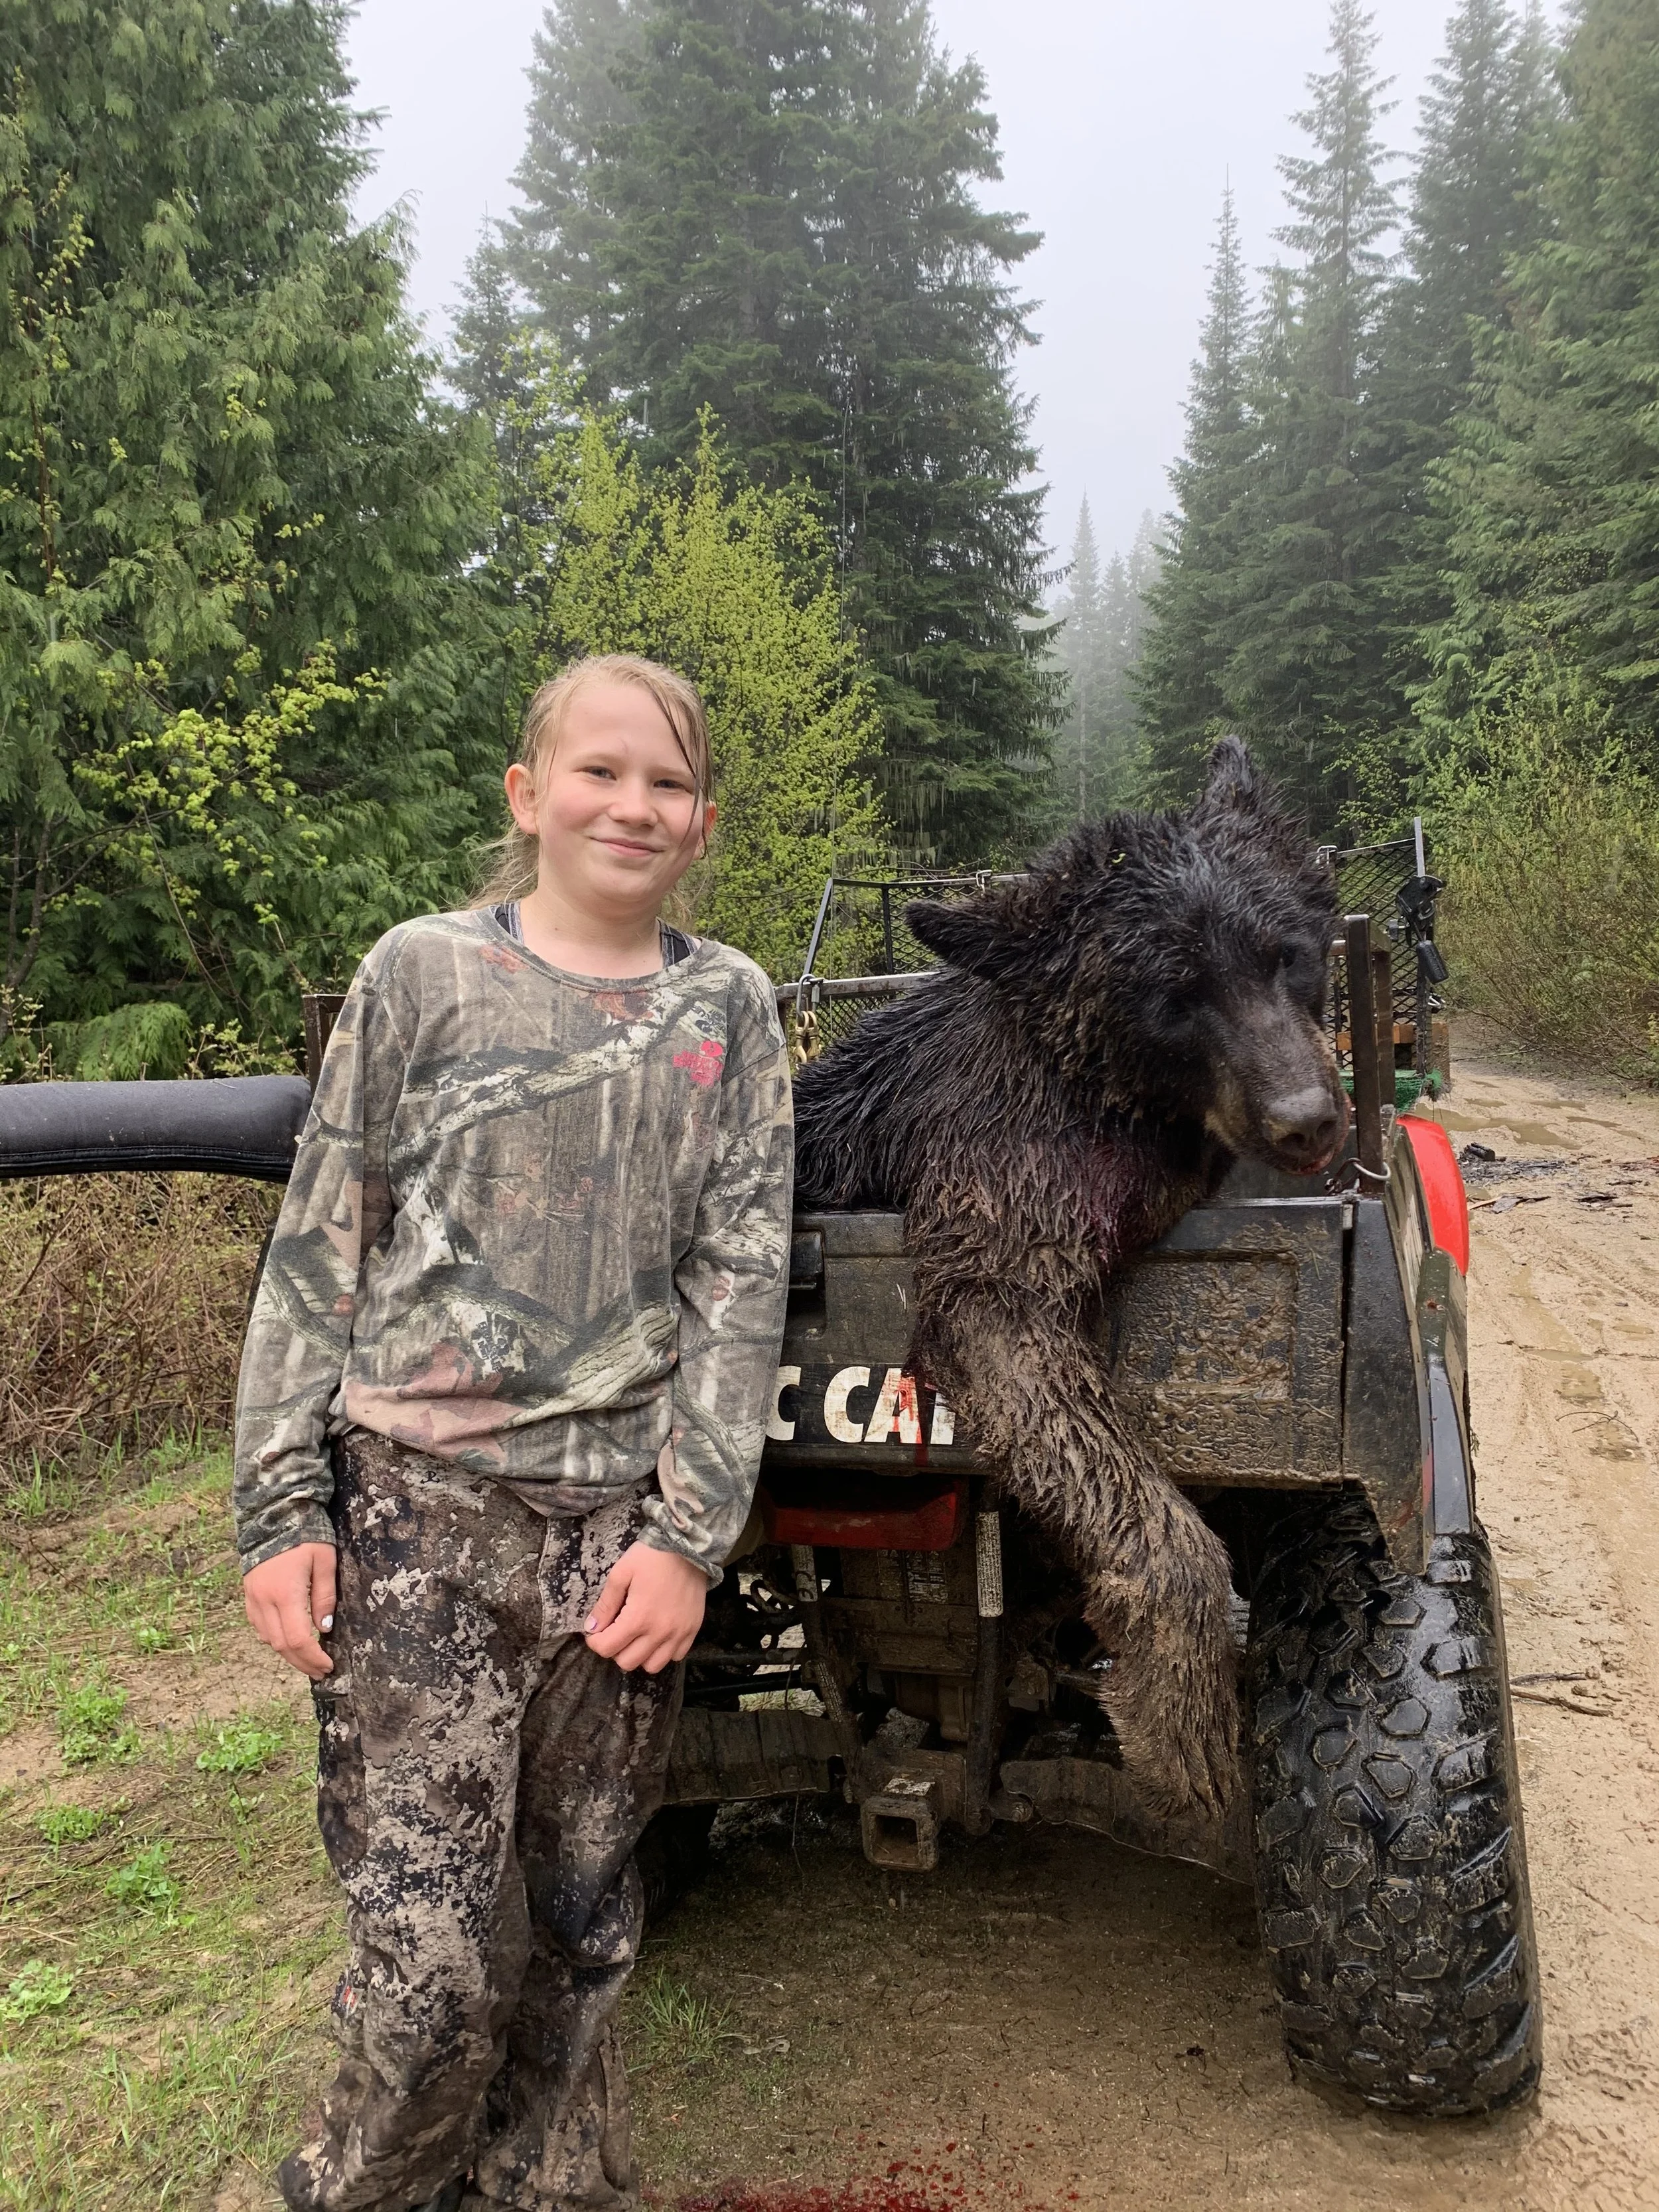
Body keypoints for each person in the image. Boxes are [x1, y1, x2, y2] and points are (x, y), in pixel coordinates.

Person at [234, 654, 795, 2212]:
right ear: (526, 792)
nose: (633, 803)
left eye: (668, 781)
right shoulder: (420, 973)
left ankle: (546, 2194)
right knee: (425, 1969)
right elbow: (319, 1244)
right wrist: (283, 1509)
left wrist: (687, 1541)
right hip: (419, 1523)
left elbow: (736, 1289)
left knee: (580, 1931)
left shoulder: (729, 1010)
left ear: (700, 821)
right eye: (600, 769)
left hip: (617, 1550)